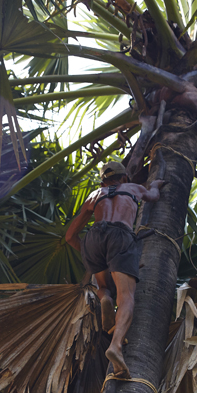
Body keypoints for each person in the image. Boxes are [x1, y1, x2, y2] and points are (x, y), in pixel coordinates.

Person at [65, 161, 165, 378]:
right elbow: (153, 196)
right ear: (124, 178)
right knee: (127, 297)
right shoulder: (133, 189)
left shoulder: (95, 195)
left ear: (103, 180)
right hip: (120, 236)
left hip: (93, 237)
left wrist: (86, 250)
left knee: (103, 286)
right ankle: (116, 346)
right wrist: (155, 183)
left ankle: (105, 299)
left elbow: (70, 236)